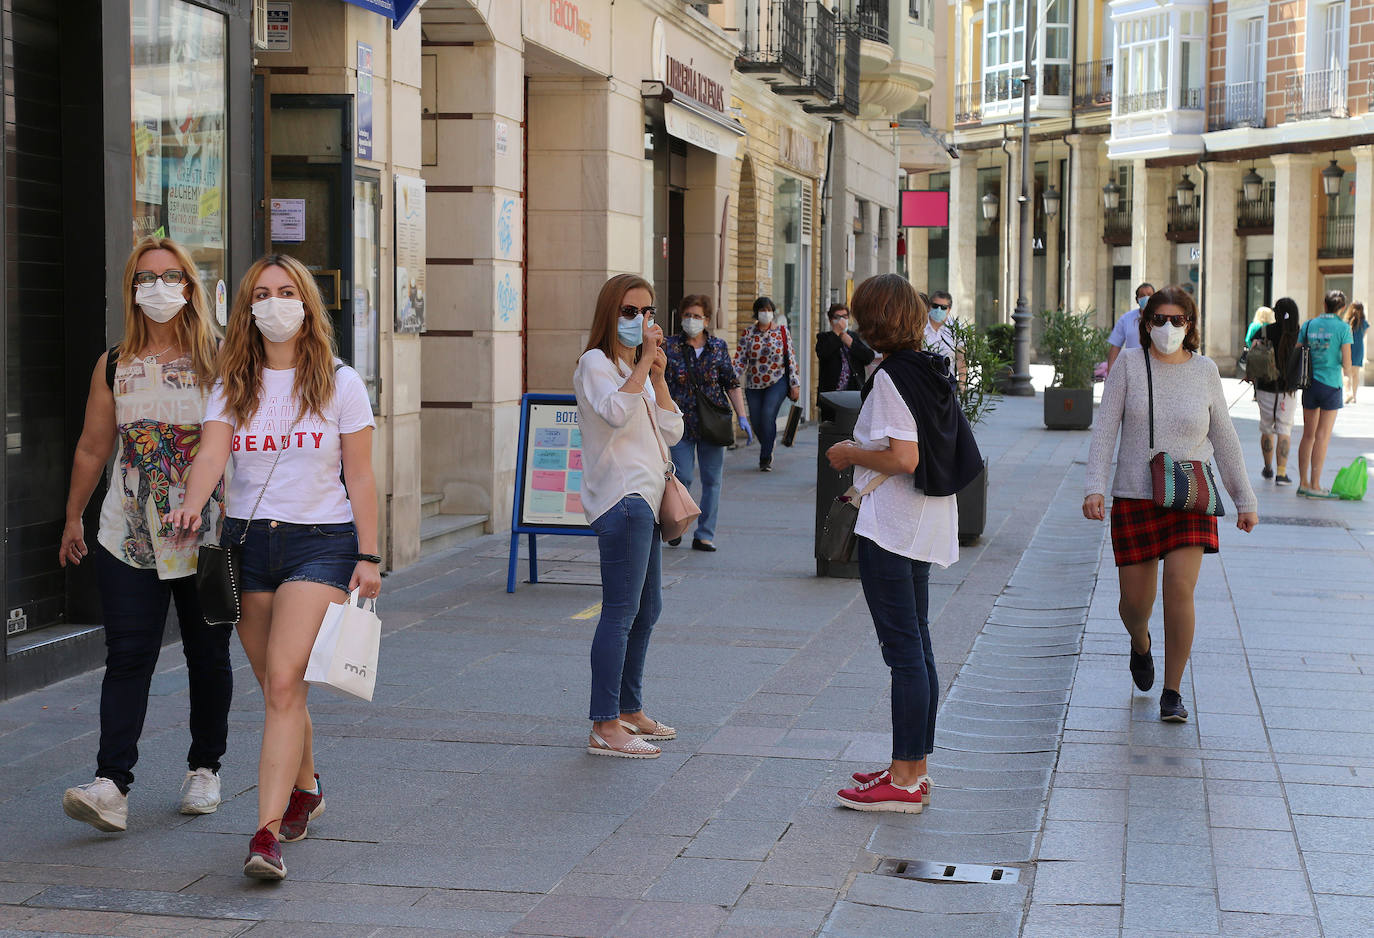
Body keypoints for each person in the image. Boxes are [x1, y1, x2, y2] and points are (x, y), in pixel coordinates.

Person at [168, 254, 381, 881]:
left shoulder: (341, 382)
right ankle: (307, 784)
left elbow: (361, 474)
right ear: (247, 308)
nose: (275, 302)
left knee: (286, 683)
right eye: (262, 293)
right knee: (276, 686)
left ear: (308, 304)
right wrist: (189, 503)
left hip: (322, 542)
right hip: (246, 547)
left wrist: (369, 555)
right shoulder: (232, 382)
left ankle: (264, 835)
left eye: (287, 292)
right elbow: (212, 454)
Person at [57, 236, 230, 833]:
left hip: (210, 532)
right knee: (127, 655)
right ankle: (111, 783)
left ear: (191, 284)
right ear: (132, 288)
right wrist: (73, 515)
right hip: (127, 534)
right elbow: (92, 446)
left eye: (171, 275)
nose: (160, 287)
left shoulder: (223, 356)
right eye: (147, 277)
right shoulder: (114, 363)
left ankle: (205, 767)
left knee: (209, 655)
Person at [827, 274, 982, 813]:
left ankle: (904, 778)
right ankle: (912, 769)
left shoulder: (893, 376)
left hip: (894, 524)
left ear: (876, 320)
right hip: (923, 520)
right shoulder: (927, 366)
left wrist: (849, 452)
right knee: (917, 644)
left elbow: (903, 457)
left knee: (904, 653)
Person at [1084, 285, 1257, 723]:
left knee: (1180, 588)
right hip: (1136, 495)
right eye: (1158, 319)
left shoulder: (1205, 371)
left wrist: (1244, 498)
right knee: (1134, 604)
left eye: (1177, 320)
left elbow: (1225, 437)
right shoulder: (1128, 365)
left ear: (1190, 325)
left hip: (1190, 494)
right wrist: (1094, 487)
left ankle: (1173, 691)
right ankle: (1140, 643)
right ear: (1145, 324)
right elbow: (1106, 429)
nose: (1167, 327)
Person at [573, 274, 684, 760]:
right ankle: (604, 723)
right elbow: (614, 414)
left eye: (647, 311)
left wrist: (656, 377)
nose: (641, 320)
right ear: (609, 314)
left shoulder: (633, 368)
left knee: (647, 608)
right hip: (621, 499)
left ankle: (629, 708)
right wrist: (640, 368)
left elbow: (673, 430)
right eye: (629, 311)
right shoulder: (595, 364)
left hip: (647, 498)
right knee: (620, 611)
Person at [663, 294, 752, 551]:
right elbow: (658, 382)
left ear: (707, 320)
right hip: (680, 422)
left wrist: (742, 416)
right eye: (687, 315)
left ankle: (705, 534)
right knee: (682, 477)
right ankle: (678, 524)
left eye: (697, 316)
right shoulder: (670, 346)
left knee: (713, 481)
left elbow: (731, 384)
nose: (691, 320)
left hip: (713, 423)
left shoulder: (718, 347)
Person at [1296, 290, 1354, 498]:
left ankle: (1302, 483)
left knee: (1308, 434)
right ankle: (1316, 484)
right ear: (1343, 307)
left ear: (1324, 304)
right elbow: (1347, 364)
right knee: (1322, 436)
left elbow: (1298, 350)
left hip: (1309, 383)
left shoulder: (1309, 325)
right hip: (1331, 385)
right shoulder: (1343, 328)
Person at [734, 296, 800, 471]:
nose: (766, 313)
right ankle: (769, 444)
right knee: (756, 422)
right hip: (754, 383)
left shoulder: (782, 332)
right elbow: (740, 359)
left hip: (777, 380)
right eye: (762, 310)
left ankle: (765, 458)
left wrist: (795, 384)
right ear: (756, 313)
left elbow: (791, 360)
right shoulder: (748, 333)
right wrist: (731, 378)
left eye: (769, 310)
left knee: (767, 414)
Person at [1252, 298, 1300, 486]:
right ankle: (1281, 474)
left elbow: (1249, 353)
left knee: (1266, 428)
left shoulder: (1264, 331)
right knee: (1284, 429)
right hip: (1288, 390)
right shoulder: (1297, 333)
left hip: (1265, 387)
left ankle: (1268, 468)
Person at [816, 302, 875, 392]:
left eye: (844, 316)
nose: (841, 320)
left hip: (852, 391)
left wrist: (851, 343)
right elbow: (823, 354)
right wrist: (836, 334)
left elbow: (869, 357)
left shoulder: (855, 337)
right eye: (837, 317)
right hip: (831, 392)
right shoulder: (824, 337)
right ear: (831, 320)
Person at [1105, 282, 1156, 374]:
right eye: (1142, 296)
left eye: (1149, 295)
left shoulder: (1161, 318)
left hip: (1156, 368)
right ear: (1137, 300)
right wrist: (1110, 371)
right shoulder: (1126, 319)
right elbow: (1115, 346)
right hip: (1132, 369)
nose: (1146, 298)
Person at [923, 290, 966, 384]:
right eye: (935, 306)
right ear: (929, 306)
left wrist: (962, 384)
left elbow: (960, 358)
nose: (938, 310)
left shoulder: (956, 328)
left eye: (943, 307)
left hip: (947, 383)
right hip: (923, 381)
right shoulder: (919, 325)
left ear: (949, 309)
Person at [1345, 300, 1367, 403]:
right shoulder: (1364, 324)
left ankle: (1348, 393)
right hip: (1358, 349)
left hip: (1347, 348)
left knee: (1346, 373)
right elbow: (1363, 335)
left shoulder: (1346, 322)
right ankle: (1354, 396)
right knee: (1356, 374)